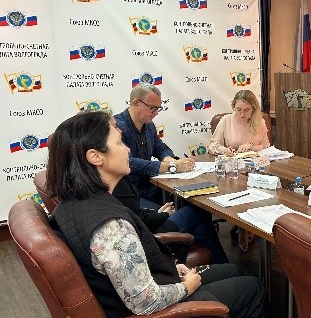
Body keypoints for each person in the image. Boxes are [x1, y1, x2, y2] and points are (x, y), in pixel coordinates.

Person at [46, 111, 278, 318]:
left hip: (139, 303)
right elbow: (146, 303)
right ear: (95, 156)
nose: (128, 149)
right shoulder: (111, 227)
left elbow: (123, 271)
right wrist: (186, 287)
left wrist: (170, 267)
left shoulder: (74, 203)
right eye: (120, 143)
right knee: (252, 289)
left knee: (233, 271)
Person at [113, 175, 229, 264]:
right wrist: (165, 214)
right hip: (148, 237)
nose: (128, 152)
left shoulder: (113, 180)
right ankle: (225, 268)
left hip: (143, 229)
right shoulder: (117, 184)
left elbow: (136, 212)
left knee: (203, 229)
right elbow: (142, 220)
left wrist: (157, 213)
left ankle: (224, 269)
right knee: (197, 211)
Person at [114, 83, 196, 205]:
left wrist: (168, 158)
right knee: (175, 210)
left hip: (149, 185)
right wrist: (170, 166)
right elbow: (128, 162)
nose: (156, 113)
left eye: (158, 108)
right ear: (136, 103)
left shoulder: (149, 125)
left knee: (189, 202)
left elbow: (160, 147)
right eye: (152, 108)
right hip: (128, 192)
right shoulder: (116, 127)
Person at [209, 90, 270, 252]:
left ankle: (253, 224)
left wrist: (251, 146)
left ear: (253, 109)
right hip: (233, 169)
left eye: (246, 110)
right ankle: (244, 226)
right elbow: (213, 146)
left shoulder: (260, 122)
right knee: (241, 187)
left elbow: (266, 147)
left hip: (255, 166)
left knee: (261, 187)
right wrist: (225, 150)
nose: (242, 114)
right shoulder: (226, 121)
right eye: (238, 110)